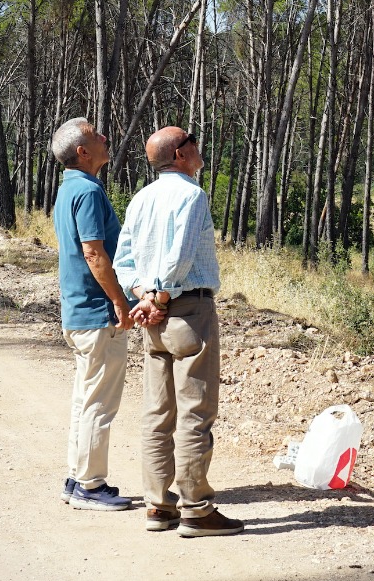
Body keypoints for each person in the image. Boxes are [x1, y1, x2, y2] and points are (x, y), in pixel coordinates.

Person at [112, 126, 243, 538]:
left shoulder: (141, 198)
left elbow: (125, 259)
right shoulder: (192, 195)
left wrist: (144, 297)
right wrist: (161, 297)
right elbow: (181, 256)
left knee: (157, 413)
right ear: (181, 153)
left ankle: (158, 505)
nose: (199, 146)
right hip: (186, 311)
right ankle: (196, 509)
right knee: (195, 412)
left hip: (154, 318)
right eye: (194, 141)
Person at [49, 117, 134, 513]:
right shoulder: (87, 191)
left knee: (85, 399)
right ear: (83, 152)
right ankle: (90, 485)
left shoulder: (69, 190)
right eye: (96, 135)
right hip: (98, 312)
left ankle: (76, 476)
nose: (104, 137)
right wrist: (119, 300)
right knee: (99, 402)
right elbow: (94, 252)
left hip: (78, 312)